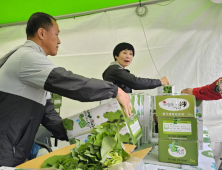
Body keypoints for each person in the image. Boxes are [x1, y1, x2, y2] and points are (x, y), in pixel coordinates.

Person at [0, 12, 131, 167]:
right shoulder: (27, 57)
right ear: (41, 33)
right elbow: (68, 82)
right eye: (56, 34)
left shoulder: (35, 66)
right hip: (5, 151)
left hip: (14, 149)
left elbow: (48, 114)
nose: (59, 41)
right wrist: (114, 90)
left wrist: (81, 134)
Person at [102, 42, 170, 93]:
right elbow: (135, 82)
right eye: (124, 53)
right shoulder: (114, 69)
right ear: (116, 55)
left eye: (131, 54)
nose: (128, 56)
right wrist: (160, 82)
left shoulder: (117, 70)